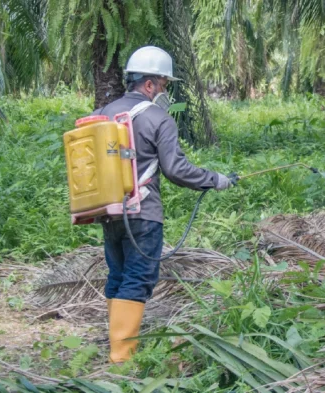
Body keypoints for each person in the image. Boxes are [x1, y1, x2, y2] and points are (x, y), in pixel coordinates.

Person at [91, 45, 235, 364]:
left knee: (118, 274)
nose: (165, 90)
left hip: (109, 211)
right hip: (144, 215)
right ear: (149, 84)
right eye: (164, 84)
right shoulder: (159, 118)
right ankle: (122, 360)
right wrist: (216, 179)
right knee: (138, 278)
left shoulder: (103, 115)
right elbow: (176, 169)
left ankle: (117, 350)